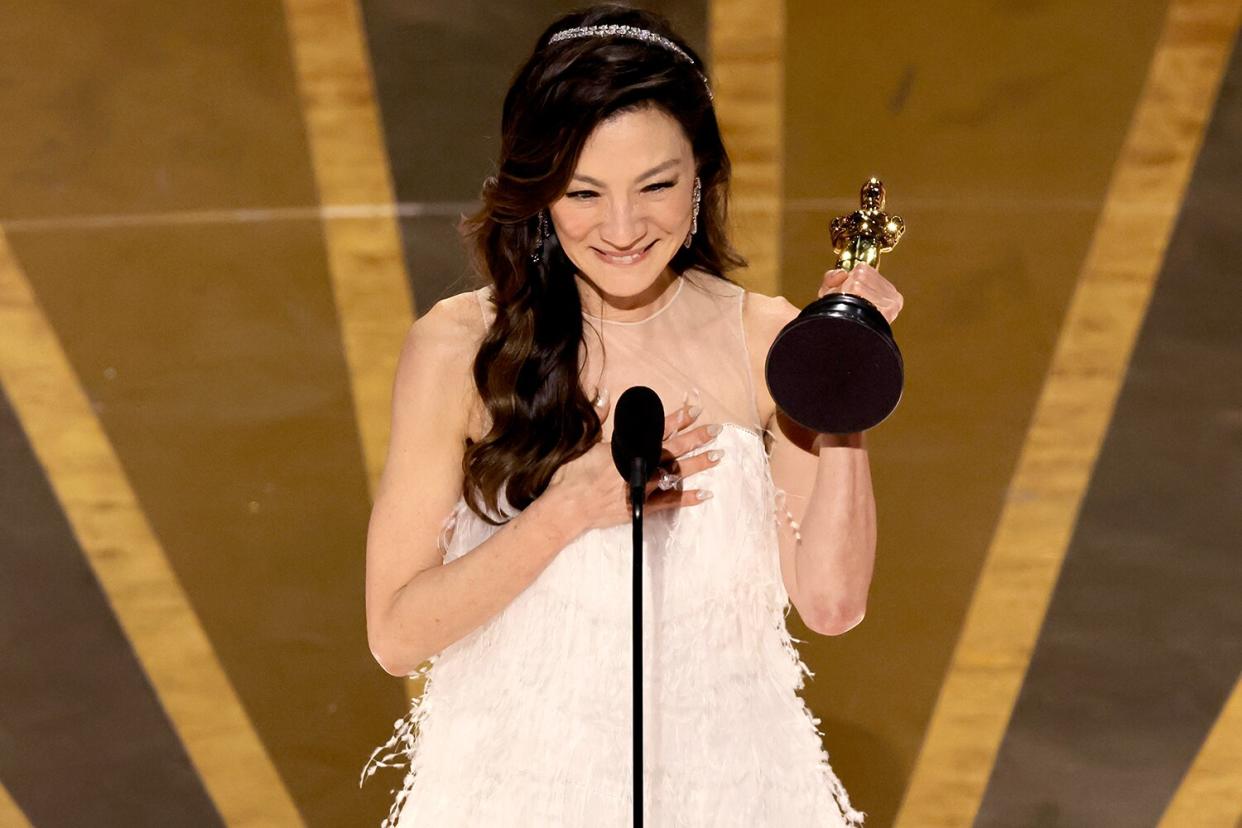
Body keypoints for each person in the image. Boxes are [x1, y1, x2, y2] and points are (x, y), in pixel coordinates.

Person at [361, 5, 902, 826]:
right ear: (539, 194)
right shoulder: (462, 350)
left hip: (734, 795)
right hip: (515, 797)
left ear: (702, 178)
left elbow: (831, 605)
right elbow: (397, 634)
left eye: (657, 185)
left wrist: (843, 374)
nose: (622, 228)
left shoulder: (763, 338)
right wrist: (566, 512)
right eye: (583, 193)